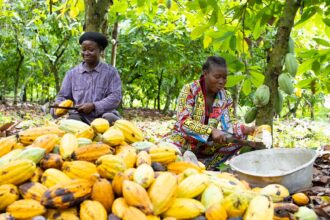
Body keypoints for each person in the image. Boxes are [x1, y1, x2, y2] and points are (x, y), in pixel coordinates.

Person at [164, 56, 255, 170]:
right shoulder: (190, 90)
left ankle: (207, 166)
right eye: (217, 77)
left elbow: (229, 123)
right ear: (205, 73)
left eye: (224, 78)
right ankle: (183, 161)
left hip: (208, 146)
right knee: (164, 151)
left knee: (241, 137)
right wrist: (211, 130)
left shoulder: (225, 97)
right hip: (183, 140)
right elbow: (184, 122)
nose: (221, 81)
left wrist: (246, 129)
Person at [51, 32, 122, 125]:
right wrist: (58, 105)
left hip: (104, 115)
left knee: (110, 118)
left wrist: (94, 106)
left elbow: (115, 97)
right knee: (72, 120)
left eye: (91, 50)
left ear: (101, 50)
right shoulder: (72, 74)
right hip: (80, 116)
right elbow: (63, 96)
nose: (86, 53)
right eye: (83, 50)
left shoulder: (111, 72)